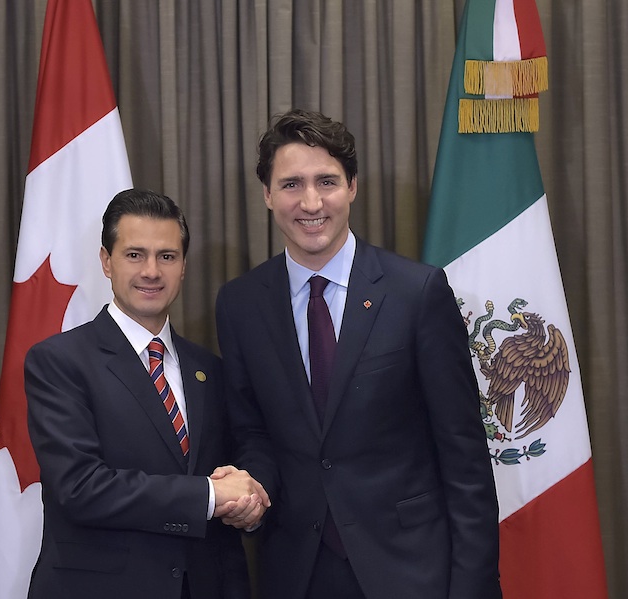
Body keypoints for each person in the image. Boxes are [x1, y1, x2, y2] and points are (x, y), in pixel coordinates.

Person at [215, 110, 502, 599]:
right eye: (291, 184)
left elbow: (465, 460)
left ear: (352, 187)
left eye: (326, 181)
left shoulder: (417, 293)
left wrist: (472, 588)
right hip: (297, 572)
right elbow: (253, 433)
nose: (310, 202)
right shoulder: (240, 304)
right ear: (267, 195)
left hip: (412, 570)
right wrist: (250, 485)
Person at [25, 188, 269, 599]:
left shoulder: (209, 368)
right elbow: (80, 488)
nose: (152, 271)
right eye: (135, 255)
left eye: (167, 256)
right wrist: (209, 495)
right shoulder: (59, 362)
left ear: (184, 266)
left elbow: (245, 452)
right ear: (107, 262)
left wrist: (251, 496)